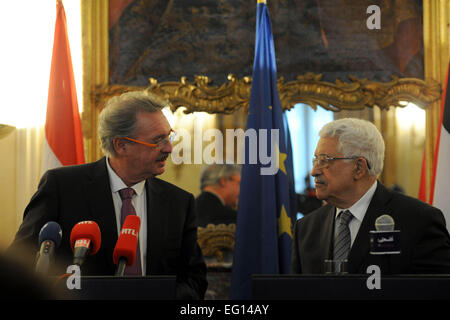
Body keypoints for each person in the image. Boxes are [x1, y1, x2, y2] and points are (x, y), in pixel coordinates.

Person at [9, 90, 207, 299]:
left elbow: (195, 279)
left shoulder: (179, 202)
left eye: (169, 136)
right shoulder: (62, 187)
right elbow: (20, 263)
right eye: (158, 140)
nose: (168, 147)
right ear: (121, 145)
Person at [291, 118, 450, 275]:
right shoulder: (306, 228)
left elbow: (435, 292)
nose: (314, 171)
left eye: (325, 161)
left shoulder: (419, 221)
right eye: (315, 160)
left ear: (359, 168)